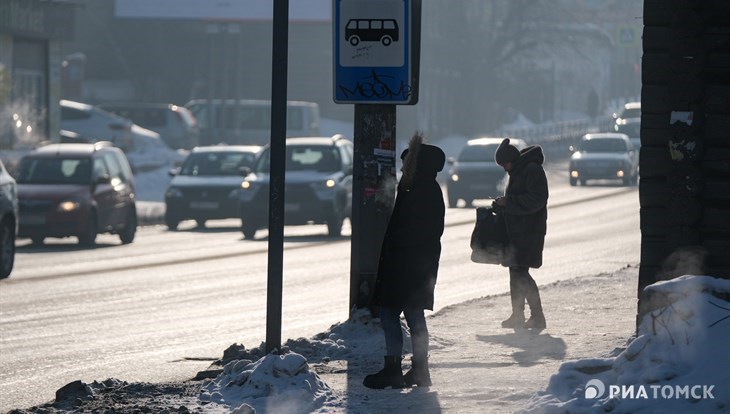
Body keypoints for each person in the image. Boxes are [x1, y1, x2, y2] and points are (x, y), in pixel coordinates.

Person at [363, 133, 446, 389]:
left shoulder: (421, 190)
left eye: (406, 163)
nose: (401, 167)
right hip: (415, 266)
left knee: (391, 314)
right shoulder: (420, 188)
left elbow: (420, 231)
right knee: (412, 315)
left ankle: (394, 370)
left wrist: (395, 246)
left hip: (407, 266)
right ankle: (419, 370)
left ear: (416, 165)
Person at [493, 138, 548, 330]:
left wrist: (509, 202)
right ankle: (519, 315)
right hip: (516, 232)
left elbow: (537, 199)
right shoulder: (517, 171)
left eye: (504, 164)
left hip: (529, 232)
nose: (504, 169)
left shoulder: (532, 170)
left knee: (521, 273)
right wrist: (503, 203)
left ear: (512, 160)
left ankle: (537, 316)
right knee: (516, 273)